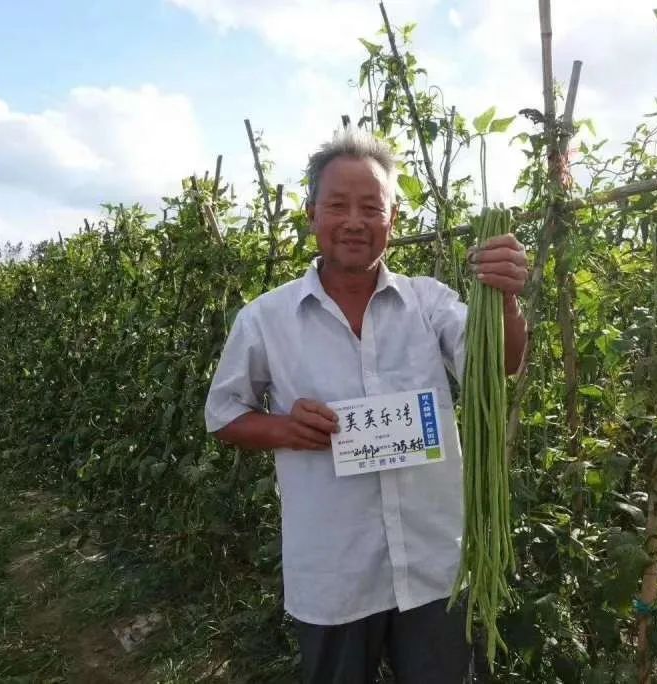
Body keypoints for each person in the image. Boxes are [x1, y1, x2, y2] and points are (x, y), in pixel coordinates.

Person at [204, 128, 528, 683]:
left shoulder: (429, 303)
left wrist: (506, 298)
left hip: (434, 566)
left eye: (370, 207)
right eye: (337, 205)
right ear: (311, 215)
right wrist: (284, 428)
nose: (354, 220)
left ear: (392, 220)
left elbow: (496, 366)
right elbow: (224, 415)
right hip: (335, 571)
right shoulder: (266, 318)